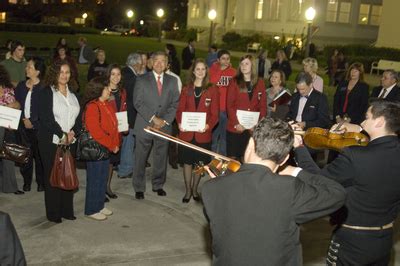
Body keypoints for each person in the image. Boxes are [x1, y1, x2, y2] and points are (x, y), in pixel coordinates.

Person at [202, 117, 346, 265]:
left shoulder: (210, 189)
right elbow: (337, 193)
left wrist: (222, 182)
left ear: (250, 144)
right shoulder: (289, 188)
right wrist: (296, 170)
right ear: (284, 159)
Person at [293, 100, 400, 265]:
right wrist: (357, 129)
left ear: (379, 122)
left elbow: (319, 181)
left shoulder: (355, 156)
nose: (363, 122)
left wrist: (299, 147)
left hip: (352, 242)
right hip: (384, 239)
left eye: (367, 118)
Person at [132, 51, 180, 200]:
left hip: (164, 126)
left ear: (167, 64)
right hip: (145, 124)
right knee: (140, 157)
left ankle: (158, 184)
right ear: (151, 63)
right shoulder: (142, 79)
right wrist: (153, 119)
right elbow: (137, 102)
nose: (159, 64)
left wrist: (164, 121)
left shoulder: (172, 81)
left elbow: (175, 104)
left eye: (163, 61)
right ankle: (139, 187)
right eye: (156, 61)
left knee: (160, 156)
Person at [38, 60, 80, 223]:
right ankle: (54, 213)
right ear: (55, 73)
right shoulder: (47, 92)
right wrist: (62, 135)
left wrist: (73, 133)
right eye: (61, 72)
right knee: (53, 176)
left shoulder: (73, 93)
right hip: (51, 142)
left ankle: (67, 211)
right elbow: (46, 118)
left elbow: (78, 118)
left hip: (71, 141)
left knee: (68, 173)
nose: (64, 75)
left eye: (67, 72)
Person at [176, 59, 219, 203]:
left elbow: (215, 115)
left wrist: (208, 126)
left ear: (206, 71)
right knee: (187, 163)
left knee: (199, 164)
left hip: (203, 134)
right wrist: (180, 123)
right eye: (198, 69)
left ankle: (195, 189)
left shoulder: (212, 89)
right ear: (193, 71)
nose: (200, 71)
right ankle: (188, 190)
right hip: (187, 133)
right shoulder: (186, 89)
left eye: (203, 69)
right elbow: (180, 110)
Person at [82, 77, 120, 221]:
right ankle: (91, 209)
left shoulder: (107, 104)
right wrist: (111, 145)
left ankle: (99, 205)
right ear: (99, 90)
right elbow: (96, 132)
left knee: (102, 177)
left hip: (107, 149)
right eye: (106, 88)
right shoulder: (92, 106)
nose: (109, 90)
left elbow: (114, 126)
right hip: (97, 148)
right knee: (94, 179)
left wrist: (115, 144)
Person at [226, 55, 267, 161]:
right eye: (242, 63)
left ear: (252, 66)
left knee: (248, 159)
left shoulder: (260, 83)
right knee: (233, 160)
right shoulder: (234, 82)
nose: (243, 66)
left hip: (252, 129)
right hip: (236, 128)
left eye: (247, 63)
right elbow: (229, 105)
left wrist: (258, 124)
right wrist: (236, 123)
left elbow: (262, 106)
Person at [15, 57, 46, 192]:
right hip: (22, 128)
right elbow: (17, 104)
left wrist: (33, 122)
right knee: (25, 156)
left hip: (39, 129)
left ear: (37, 71)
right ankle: (26, 182)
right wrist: (23, 120)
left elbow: (46, 109)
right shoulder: (21, 85)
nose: (26, 69)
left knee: (40, 157)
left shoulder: (44, 88)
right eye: (27, 66)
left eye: (29, 67)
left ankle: (41, 183)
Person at [118, 53, 142, 179]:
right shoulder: (132, 78)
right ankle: (125, 169)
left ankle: (121, 166)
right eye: (140, 64)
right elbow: (135, 99)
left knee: (123, 141)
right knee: (128, 142)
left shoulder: (122, 72)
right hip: (130, 115)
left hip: (121, 113)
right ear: (136, 64)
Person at [0, 65, 24, 195]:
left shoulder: (9, 89)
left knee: (8, 156)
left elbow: (18, 104)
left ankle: (10, 187)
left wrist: (15, 105)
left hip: (8, 127)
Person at [104, 64, 126, 199]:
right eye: (113, 74)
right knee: (102, 162)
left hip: (117, 133)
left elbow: (123, 110)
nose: (116, 77)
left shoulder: (122, 91)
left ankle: (107, 186)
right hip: (105, 133)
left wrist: (125, 126)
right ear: (108, 75)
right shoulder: (104, 91)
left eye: (118, 74)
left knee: (111, 162)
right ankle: (100, 189)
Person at [209, 50, 236, 156]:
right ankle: (210, 160)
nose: (226, 61)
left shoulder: (233, 72)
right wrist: (220, 70)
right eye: (223, 58)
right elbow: (211, 84)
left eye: (228, 59)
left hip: (227, 110)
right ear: (218, 60)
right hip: (215, 109)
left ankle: (222, 161)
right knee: (214, 137)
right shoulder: (212, 69)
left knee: (224, 138)